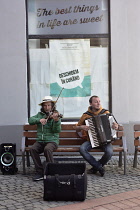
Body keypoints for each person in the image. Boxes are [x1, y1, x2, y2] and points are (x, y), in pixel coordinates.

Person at [75, 95, 118, 177]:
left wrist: (115, 126)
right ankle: (98, 166)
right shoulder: (86, 115)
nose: (98, 103)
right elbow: (77, 128)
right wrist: (81, 127)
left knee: (109, 152)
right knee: (82, 149)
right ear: (91, 104)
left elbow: (115, 125)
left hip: (105, 141)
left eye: (99, 101)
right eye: (96, 102)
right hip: (91, 140)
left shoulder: (106, 113)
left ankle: (95, 168)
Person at [29, 96, 61, 181]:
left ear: (52, 106)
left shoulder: (55, 115)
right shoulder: (39, 115)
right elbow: (30, 120)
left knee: (47, 149)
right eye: (45, 105)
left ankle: (51, 170)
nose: (47, 107)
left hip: (52, 141)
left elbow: (56, 130)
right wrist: (39, 120)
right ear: (42, 106)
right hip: (41, 141)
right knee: (33, 149)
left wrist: (56, 121)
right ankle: (40, 172)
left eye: (49, 105)